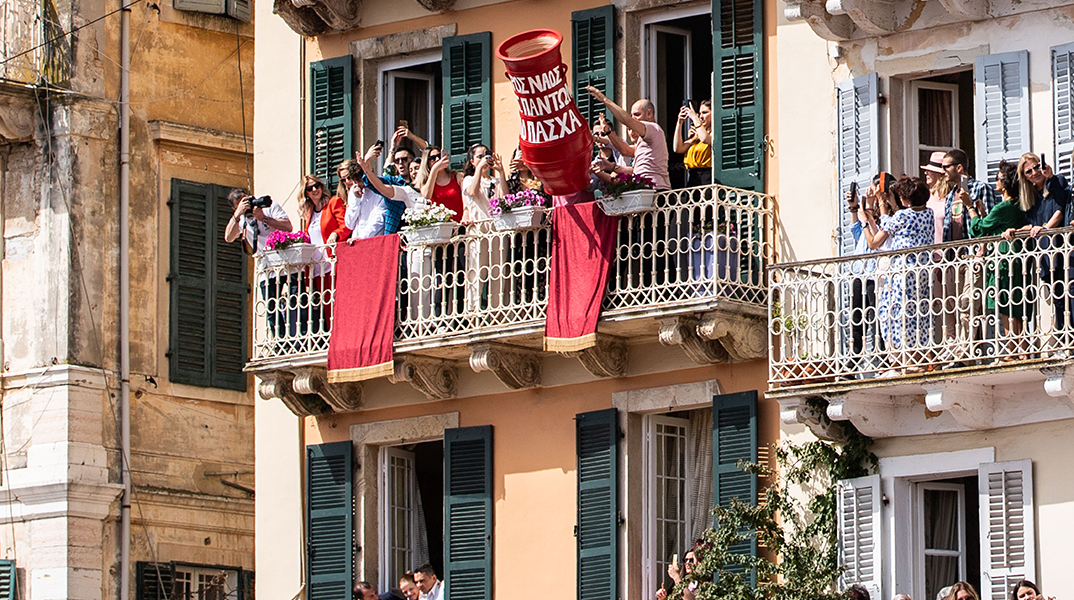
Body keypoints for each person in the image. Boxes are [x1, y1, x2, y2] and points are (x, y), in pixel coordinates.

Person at [862, 176, 934, 373]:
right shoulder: (928, 213)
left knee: (896, 315)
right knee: (918, 315)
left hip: (903, 272)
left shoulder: (903, 216)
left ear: (907, 198)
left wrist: (879, 205)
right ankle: (918, 359)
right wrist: (890, 204)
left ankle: (903, 361)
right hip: (922, 271)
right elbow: (896, 219)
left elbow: (880, 234)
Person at [941, 148, 1000, 369]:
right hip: (955, 259)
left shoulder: (980, 189)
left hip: (974, 255)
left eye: (946, 167)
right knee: (958, 307)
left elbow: (989, 221)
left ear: (959, 167)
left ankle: (965, 355)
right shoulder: (950, 195)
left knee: (968, 304)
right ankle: (965, 351)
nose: (943, 171)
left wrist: (982, 251)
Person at [967, 160, 1029, 360]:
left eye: (998, 178)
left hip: (1004, 257)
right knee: (1016, 302)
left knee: (1006, 302)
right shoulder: (1019, 205)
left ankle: (1014, 348)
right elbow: (993, 226)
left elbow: (978, 230)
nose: (995, 181)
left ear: (1005, 183)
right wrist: (984, 213)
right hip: (1018, 256)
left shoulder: (1003, 207)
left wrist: (970, 208)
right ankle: (1020, 347)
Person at [1010, 152, 1072, 350]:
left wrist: (1045, 229)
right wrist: (1014, 231)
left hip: (1063, 249)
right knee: (1058, 298)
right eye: (1028, 171)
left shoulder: (1057, 181)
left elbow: (1060, 209)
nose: (1034, 173)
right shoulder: (1030, 197)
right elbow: (1031, 225)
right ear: (1025, 177)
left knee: (1070, 294)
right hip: (1046, 254)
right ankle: (1064, 341)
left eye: (1036, 167)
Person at [223, 188, 294, 339]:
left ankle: (296, 335)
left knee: (294, 300)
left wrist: (263, 218)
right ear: (235, 208)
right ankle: (280, 341)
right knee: (271, 307)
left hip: (288, 263)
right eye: (241, 204)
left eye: (247, 200)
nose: (247, 206)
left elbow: (288, 226)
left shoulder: (268, 206)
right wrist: (237, 215)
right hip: (267, 267)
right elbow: (228, 237)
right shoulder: (241, 220)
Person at [584, 86, 670, 190]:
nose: (634, 119)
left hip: (656, 189)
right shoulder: (644, 140)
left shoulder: (653, 128)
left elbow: (627, 120)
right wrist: (608, 132)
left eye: (637, 115)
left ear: (649, 114)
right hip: (644, 189)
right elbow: (625, 150)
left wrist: (604, 99)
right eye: (632, 115)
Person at [297, 174, 349, 339]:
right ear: (305, 193)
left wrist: (335, 233)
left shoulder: (333, 202)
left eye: (317, 186)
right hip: (317, 269)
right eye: (310, 188)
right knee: (327, 308)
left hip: (333, 263)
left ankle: (343, 336)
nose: (314, 190)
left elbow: (346, 225)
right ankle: (333, 339)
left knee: (339, 303)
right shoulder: (310, 213)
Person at [341, 148, 413, 240]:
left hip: (374, 239)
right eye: (356, 181)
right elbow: (349, 224)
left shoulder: (379, 188)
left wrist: (362, 237)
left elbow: (379, 219)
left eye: (361, 180)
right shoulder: (354, 192)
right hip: (356, 241)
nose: (360, 184)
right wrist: (356, 199)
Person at [673, 100, 713, 187]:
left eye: (705, 113)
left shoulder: (714, 133)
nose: (701, 116)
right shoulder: (697, 136)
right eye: (700, 113)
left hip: (707, 177)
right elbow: (678, 148)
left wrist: (695, 118)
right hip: (693, 178)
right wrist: (680, 122)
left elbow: (705, 139)